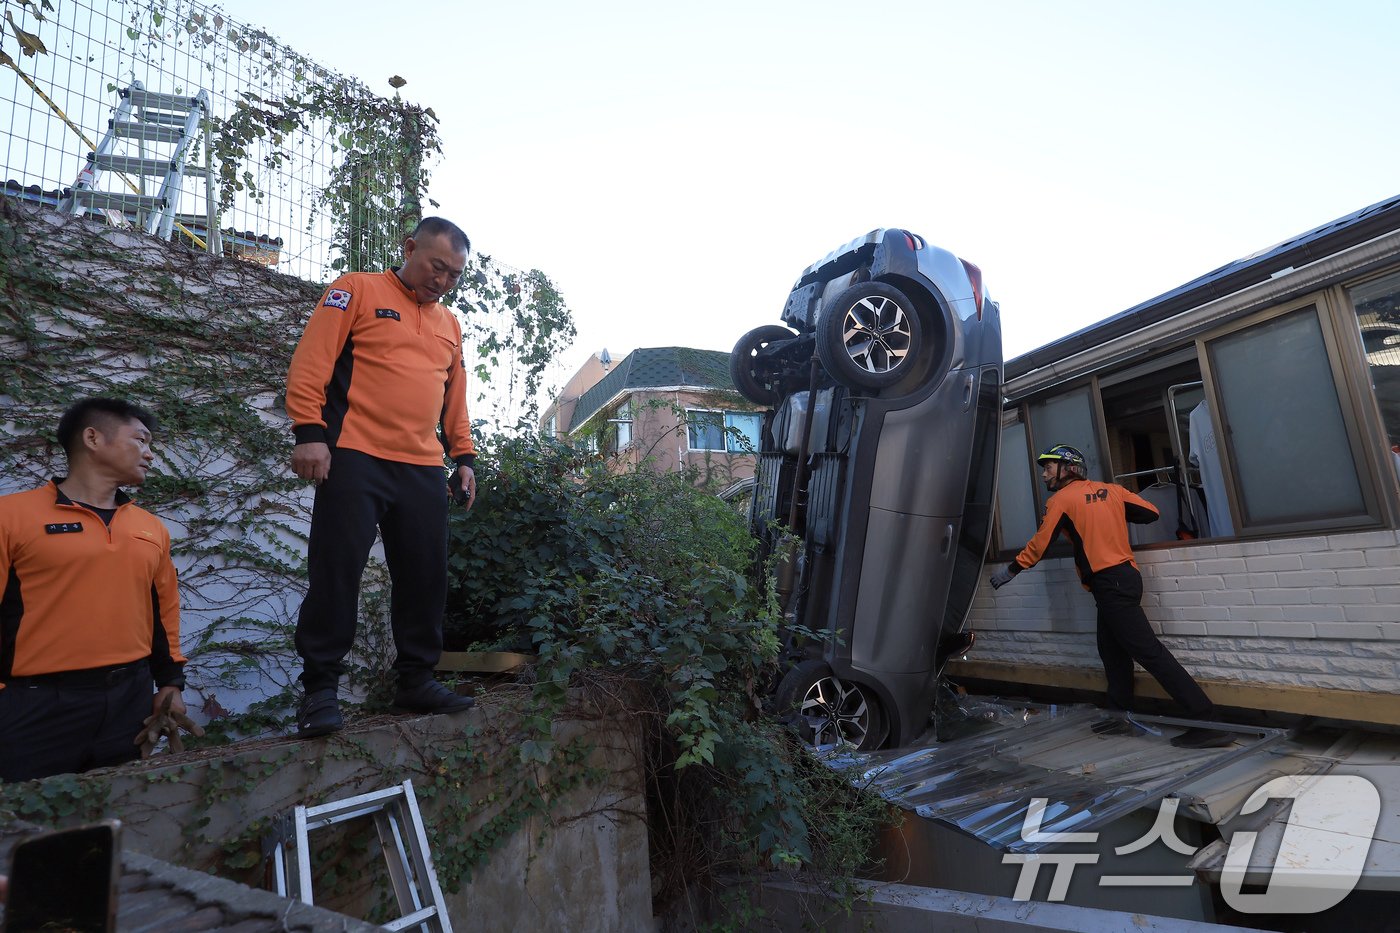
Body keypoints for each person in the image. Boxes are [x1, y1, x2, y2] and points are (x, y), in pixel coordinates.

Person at [286, 216, 478, 737]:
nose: (442, 280)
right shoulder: (356, 290)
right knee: (337, 571)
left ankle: (416, 679)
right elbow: (312, 363)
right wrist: (309, 432)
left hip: (420, 465)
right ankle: (320, 690)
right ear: (409, 246)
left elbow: (453, 398)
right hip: (353, 455)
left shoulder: (450, 325)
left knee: (425, 575)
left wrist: (463, 457)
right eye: (436, 265)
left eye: (454, 274)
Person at [989, 444, 1233, 749]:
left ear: (1069, 469)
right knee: (1112, 652)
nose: (1044, 475)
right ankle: (1121, 719)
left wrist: (1010, 571)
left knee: (1149, 652)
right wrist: (1108, 511)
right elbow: (1151, 513)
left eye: (1049, 468)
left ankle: (1209, 722)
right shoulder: (1112, 491)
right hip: (1124, 579)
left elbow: (1040, 545)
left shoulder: (1061, 500)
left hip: (1110, 584)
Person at [0, 398, 189, 782]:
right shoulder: (11, 517)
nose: (150, 454)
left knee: (118, 817)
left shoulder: (151, 528)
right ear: (92, 438)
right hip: (34, 704)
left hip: (128, 702)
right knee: (28, 830)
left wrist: (169, 684)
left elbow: (163, 611)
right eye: (141, 440)